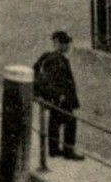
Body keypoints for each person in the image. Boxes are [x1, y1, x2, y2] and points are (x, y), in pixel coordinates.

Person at [34, 31, 83, 160]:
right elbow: (54, 80)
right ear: (58, 44)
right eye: (65, 43)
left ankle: (54, 149)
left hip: (55, 97)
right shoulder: (58, 60)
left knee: (54, 121)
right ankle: (68, 151)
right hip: (61, 98)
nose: (68, 46)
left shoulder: (48, 56)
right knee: (70, 121)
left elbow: (36, 70)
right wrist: (59, 95)